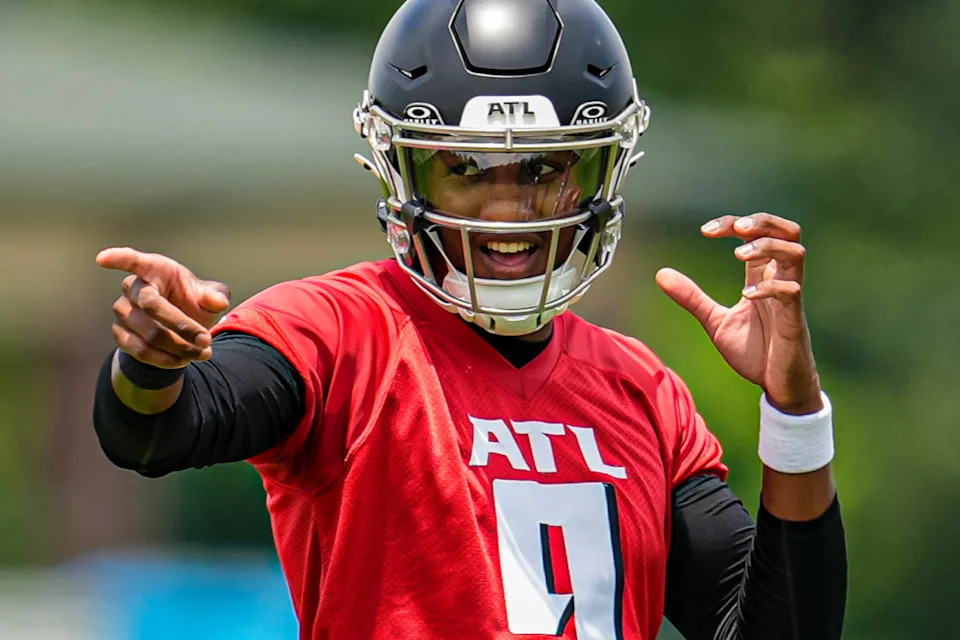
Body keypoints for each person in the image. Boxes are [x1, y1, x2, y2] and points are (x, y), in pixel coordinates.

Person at [92, 0, 847, 638]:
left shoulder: (643, 393)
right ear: (400, 167)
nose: (507, 213)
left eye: (545, 171)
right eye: (464, 171)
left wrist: (794, 414)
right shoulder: (340, 331)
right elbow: (160, 431)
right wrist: (151, 364)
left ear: (602, 170)